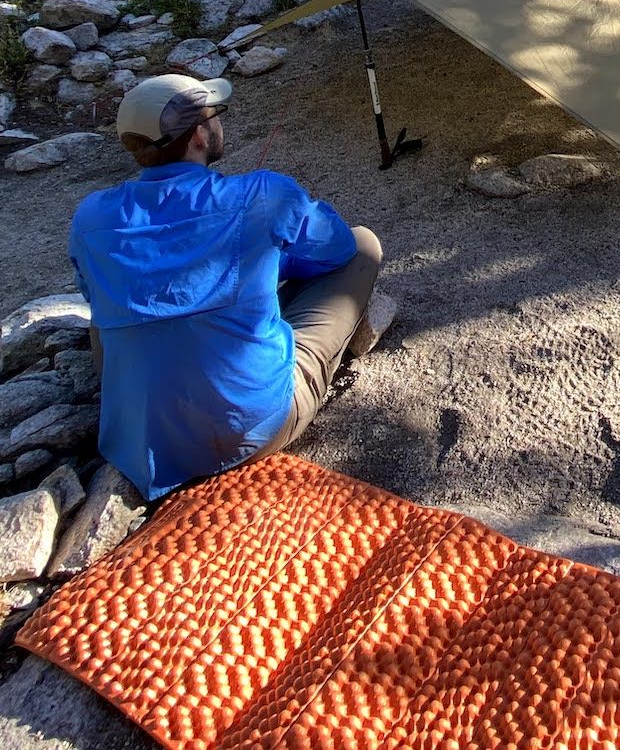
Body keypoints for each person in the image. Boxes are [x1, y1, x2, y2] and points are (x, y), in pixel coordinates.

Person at [68, 74, 391, 500]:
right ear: (199, 135)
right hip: (249, 428)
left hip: (137, 434)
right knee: (365, 244)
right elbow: (337, 248)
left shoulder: (90, 216)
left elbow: (96, 296)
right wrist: (270, 260)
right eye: (215, 116)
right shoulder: (262, 194)